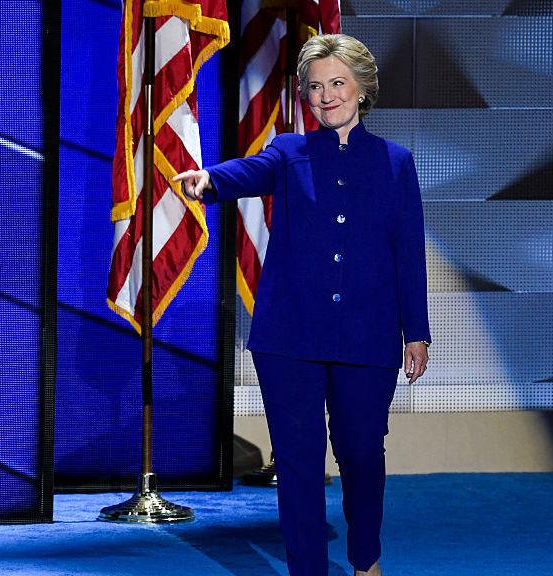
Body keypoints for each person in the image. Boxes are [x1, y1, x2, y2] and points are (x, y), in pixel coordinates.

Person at [174, 33, 431, 576]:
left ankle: (366, 559)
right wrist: (208, 181)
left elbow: (408, 252)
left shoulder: (396, 162)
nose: (326, 95)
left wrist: (417, 331)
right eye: (315, 87)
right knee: (298, 463)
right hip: (290, 338)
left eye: (337, 83)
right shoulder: (290, 153)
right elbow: (249, 171)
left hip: (367, 336)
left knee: (362, 454)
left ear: (362, 89)